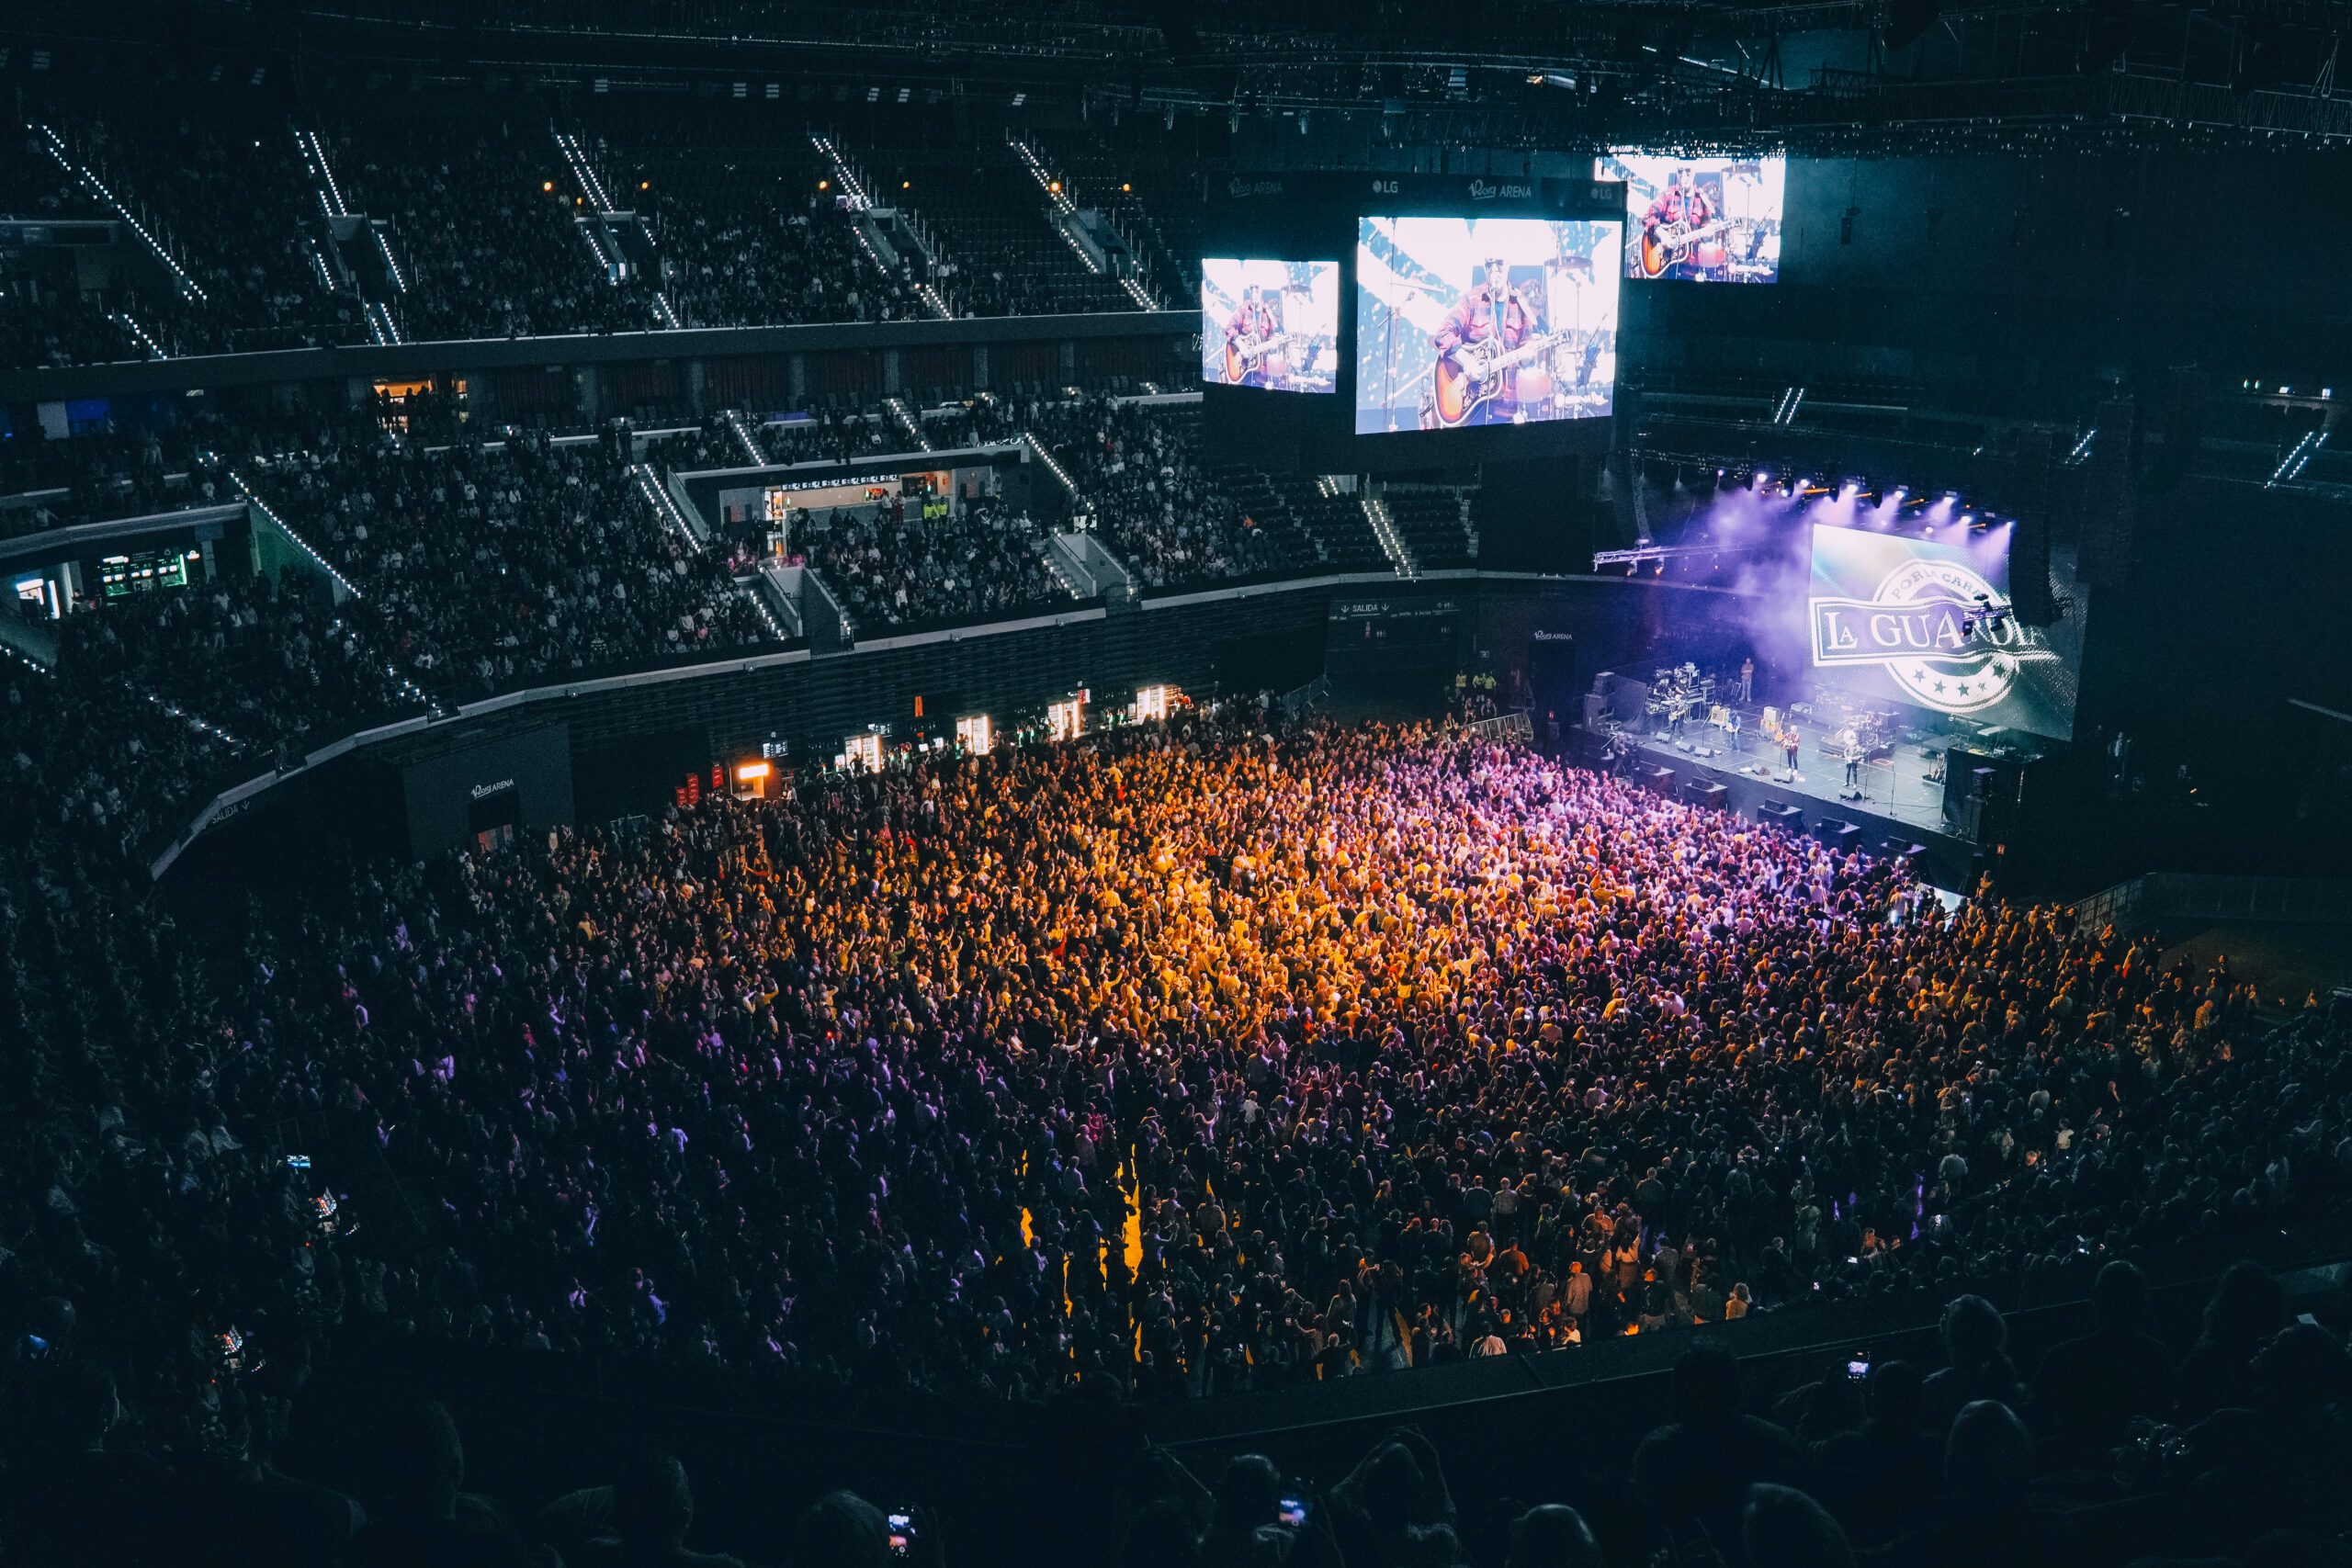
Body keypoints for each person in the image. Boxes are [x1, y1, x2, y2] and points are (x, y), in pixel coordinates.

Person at [1633, 1345, 1807, 1565]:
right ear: (1736, 1390)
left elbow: (1651, 1530)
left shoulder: (1658, 1454)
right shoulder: (1777, 1442)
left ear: (1676, 1396)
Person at [2031, 1260, 2177, 1465]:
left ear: (2095, 1298)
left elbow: (2038, 1418)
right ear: (2142, 1305)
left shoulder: (2062, 1357)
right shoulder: (2158, 1354)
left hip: (2076, 1469)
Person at [1430, 257, 1544, 426]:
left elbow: (1525, 358)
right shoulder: (1472, 299)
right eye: (1489, 265)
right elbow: (1442, 333)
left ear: (1508, 265)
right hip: (1470, 409)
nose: (1494, 269)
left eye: (1499, 263)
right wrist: (1467, 361)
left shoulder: (1521, 305)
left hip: (1506, 410)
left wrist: (1528, 356)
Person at [1641, 167, 1719, 280]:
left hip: (1690, 269)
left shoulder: (1703, 199)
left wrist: (1709, 235)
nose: (1683, 176)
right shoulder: (1668, 194)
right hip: (1664, 268)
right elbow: (1648, 216)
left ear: (1694, 172)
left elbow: (1705, 236)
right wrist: (1663, 235)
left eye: (1687, 171)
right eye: (1680, 172)